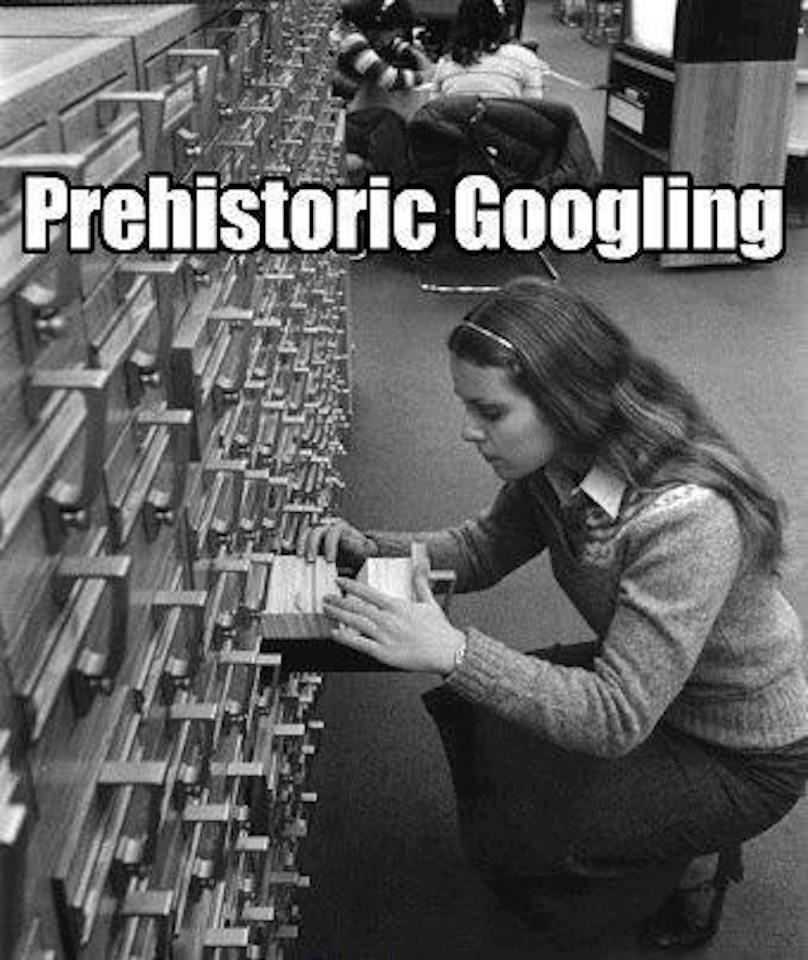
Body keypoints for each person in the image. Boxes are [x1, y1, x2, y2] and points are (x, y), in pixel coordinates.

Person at [298, 279, 808, 953]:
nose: (468, 430)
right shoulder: (562, 460)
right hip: (662, 689)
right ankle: (661, 831)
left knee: (527, 832)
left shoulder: (688, 519)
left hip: (740, 751)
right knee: (481, 721)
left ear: (566, 401)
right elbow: (482, 547)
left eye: (490, 411)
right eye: (467, 406)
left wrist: (453, 651)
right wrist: (371, 549)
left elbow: (616, 716)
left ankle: (685, 868)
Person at [331, 0, 434, 186]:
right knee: (389, 122)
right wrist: (425, 76)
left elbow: (393, 43)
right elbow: (390, 79)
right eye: (392, 31)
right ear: (378, 26)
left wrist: (408, 51)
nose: (391, 38)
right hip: (334, 120)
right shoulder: (352, 43)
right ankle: (397, 183)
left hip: (341, 115)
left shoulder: (352, 31)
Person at [432, 0, 548, 99]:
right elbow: (533, 108)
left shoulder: (446, 64)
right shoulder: (526, 59)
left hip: (458, 119)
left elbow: (434, 111)